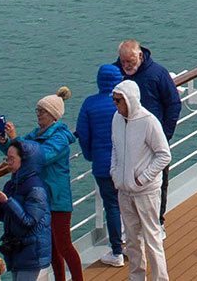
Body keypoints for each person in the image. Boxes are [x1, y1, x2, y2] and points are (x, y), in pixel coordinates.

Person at [5, 88, 80, 281]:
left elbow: (40, 156)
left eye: (42, 111)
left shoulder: (59, 138)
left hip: (57, 199)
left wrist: (15, 139)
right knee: (52, 247)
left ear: (53, 116)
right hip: (42, 199)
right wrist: (5, 143)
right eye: (37, 110)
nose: (38, 114)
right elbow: (19, 151)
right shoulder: (36, 133)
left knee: (64, 244)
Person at [111, 79, 172, 281]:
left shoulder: (149, 121)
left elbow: (164, 154)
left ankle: (160, 278)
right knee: (132, 241)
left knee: (152, 237)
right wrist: (115, 172)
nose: (115, 104)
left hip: (145, 191)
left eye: (118, 100)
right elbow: (115, 148)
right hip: (124, 190)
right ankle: (137, 278)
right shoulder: (116, 119)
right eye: (114, 100)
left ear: (130, 100)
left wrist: (143, 179)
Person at [111, 41, 181, 216]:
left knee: (158, 180)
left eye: (130, 61)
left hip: (152, 138)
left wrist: (164, 135)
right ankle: (128, 226)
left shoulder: (158, 73)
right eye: (123, 61)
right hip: (127, 138)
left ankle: (159, 220)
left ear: (140, 56)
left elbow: (173, 104)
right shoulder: (115, 72)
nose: (126, 66)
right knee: (126, 184)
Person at [77, 65, 128, 267]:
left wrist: (91, 155)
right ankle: (133, 246)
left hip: (102, 164)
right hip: (126, 163)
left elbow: (83, 133)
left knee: (112, 207)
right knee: (131, 205)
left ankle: (117, 251)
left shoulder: (90, 104)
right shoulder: (124, 103)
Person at [0, 139, 53, 281]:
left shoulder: (36, 188)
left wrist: (7, 202)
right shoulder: (11, 185)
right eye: (6, 158)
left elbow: (29, 221)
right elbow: (2, 216)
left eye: (12, 159)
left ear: (25, 161)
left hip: (32, 252)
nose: (8, 163)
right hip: (18, 251)